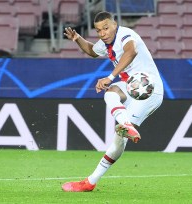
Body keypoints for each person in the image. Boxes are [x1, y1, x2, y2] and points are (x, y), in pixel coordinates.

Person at [62, 11, 164, 192]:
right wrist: (77, 38)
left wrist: (110, 76)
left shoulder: (126, 34)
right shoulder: (105, 42)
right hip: (132, 87)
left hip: (149, 89)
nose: (102, 33)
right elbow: (93, 51)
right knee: (110, 97)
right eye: (99, 30)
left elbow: (131, 51)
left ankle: (125, 125)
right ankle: (90, 182)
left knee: (110, 90)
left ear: (115, 25)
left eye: (106, 28)